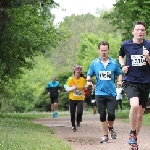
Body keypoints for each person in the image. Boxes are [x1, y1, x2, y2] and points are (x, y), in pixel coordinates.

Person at [119, 21, 150, 149]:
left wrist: (148, 58)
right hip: (130, 81)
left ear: (145, 32)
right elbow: (121, 56)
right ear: (133, 31)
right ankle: (132, 133)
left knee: (140, 114)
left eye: (142, 30)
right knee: (135, 105)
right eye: (137, 30)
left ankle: (134, 140)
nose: (140, 32)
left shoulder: (148, 45)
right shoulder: (126, 44)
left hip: (145, 82)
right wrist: (123, 66)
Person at [86, 41, 122, 143]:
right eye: (102, 50)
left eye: (105, 50)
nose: (104, 52)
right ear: (99, 51)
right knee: (102, 115)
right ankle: (105, 136)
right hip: (99, 93)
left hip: (111, 93)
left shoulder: (114, 62)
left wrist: (119, 81)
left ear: (108, 50)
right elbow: (89, 74)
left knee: (111, 114)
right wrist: (88, 81)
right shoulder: (94, 63)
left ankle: (111, 127)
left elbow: (119, 73)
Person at [65, 65, 86, 132]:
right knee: (72, 113)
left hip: (80, 98)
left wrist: (85, 87)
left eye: (80, 70)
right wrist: (73, 87)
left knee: (80, 112)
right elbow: (67, 88)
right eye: (77, 70)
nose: (78, 71)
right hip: (72, 98)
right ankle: (73, 125)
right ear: (75, 71)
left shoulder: (83, 80)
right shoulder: (71, 79)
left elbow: (86, 86)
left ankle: (78, 120)